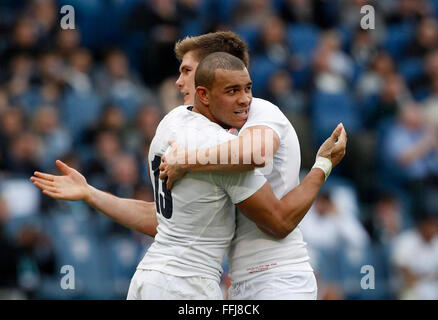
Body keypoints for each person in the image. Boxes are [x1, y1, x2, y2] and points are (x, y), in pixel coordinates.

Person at [31, 33, 347, 299]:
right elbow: (173, 219)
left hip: (268, 278)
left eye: (187, 70)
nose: (179, 81)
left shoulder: (234, 119)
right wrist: (323, 164)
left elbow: (257, 156)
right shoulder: (215, 139)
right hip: (196, 285)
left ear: (218, 70)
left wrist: (186, 163)